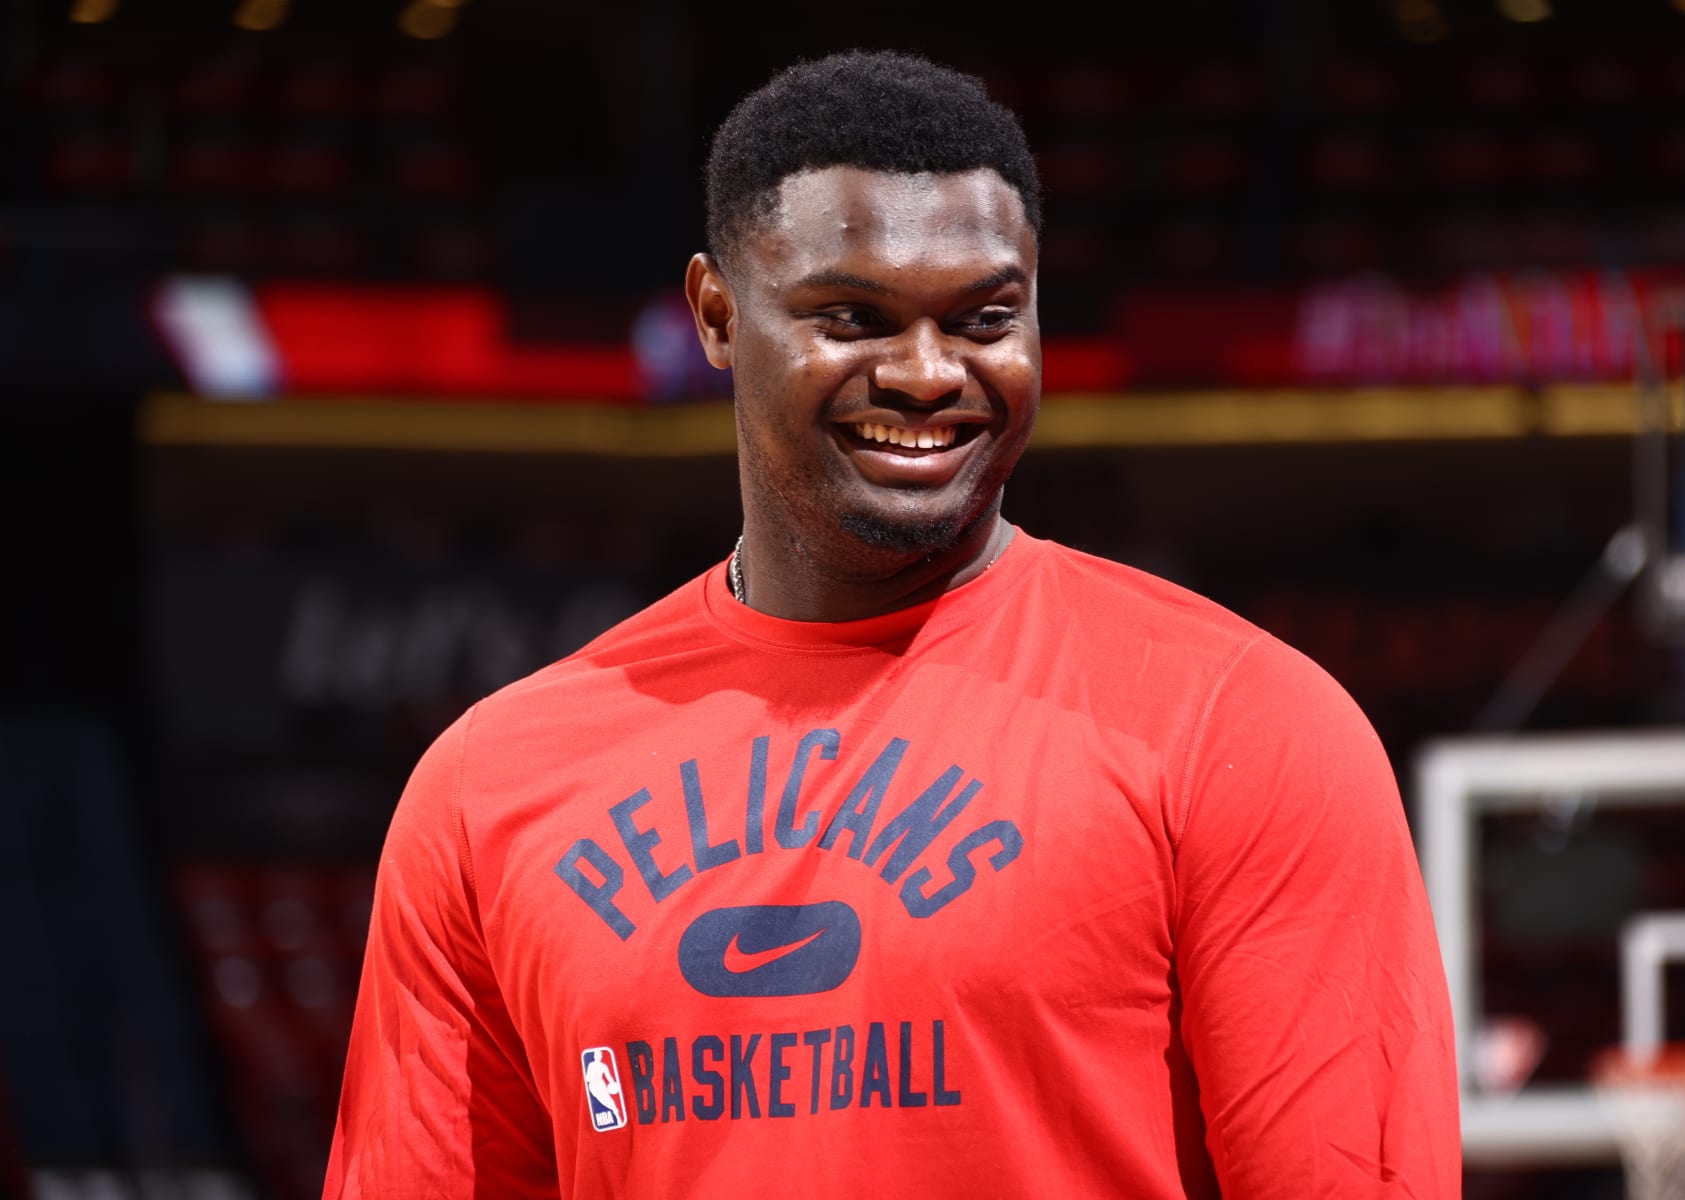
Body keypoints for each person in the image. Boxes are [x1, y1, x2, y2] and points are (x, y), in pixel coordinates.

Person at [324, 50, 1460, 1198]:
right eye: (854, 317)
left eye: (984, 318)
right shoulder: (487, 787)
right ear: (717, 314)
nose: (926, 373)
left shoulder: (1243, 726)